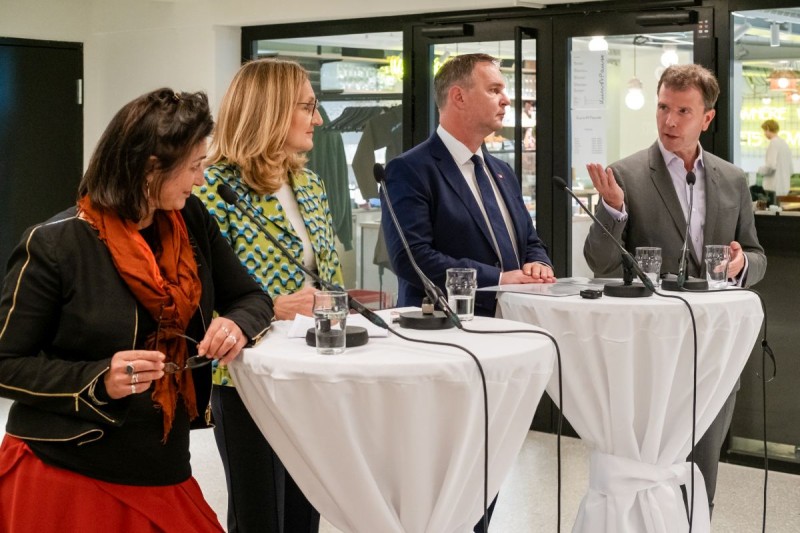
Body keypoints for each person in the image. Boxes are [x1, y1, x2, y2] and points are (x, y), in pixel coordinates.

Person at [0, 88, 274, 531]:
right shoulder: (54, 244)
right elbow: (6, 363)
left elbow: (252, 297)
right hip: (68, 469)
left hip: (162, 462)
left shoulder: (191, 220)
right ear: (150, 168)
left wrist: (235, 324)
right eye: (194, 166)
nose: (201, 180)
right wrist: (98, 378)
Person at [584, 63, 767, 515]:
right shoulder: (625, 175)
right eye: (663, 107)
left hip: (714, 352)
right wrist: (612, 210)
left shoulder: (732, 179)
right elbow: (600, 262)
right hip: (651, 353)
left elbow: (757, 254)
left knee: (702, 476)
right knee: (649, 477)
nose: (669, 120)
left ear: (707, 118)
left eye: (683, 111)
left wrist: (742, 262)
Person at [196, 58, 343, 533]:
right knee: (259, 516)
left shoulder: (310, 185)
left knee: (305, 513)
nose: (317, 118)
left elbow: (331, 277)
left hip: (313, 368)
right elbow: (194, 300)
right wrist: (273, 309)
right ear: (271, 111)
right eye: (307, 107)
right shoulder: (213, 189)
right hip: (247, 375)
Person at [382, 53, 555, 321]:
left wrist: (538, 263)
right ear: (459, 97)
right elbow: (412, 258)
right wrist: (497, 280)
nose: (506, 100)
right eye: (494, 90)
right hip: (446, 325)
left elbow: (529, 240)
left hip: (515, 320)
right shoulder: (410, 170)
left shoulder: (503, 171)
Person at [758, 118, 793, 199]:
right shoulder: (784, 144)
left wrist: (760, 170)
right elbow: (791, 169)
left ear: (768, 128)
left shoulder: (773, 143)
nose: (764, 133)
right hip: (785, 187)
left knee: (772, 206)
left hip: (773, 187)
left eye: (764, 130)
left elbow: (771, 166)